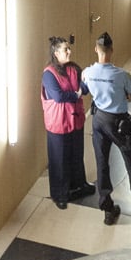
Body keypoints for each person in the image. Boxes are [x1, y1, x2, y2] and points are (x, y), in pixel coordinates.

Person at [80, 32, 131, 225]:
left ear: (96, 49)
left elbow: (85, 85)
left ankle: (107, 209)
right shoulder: (121, 75)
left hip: (99, 120)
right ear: (112, 50)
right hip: (119, 123)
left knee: (102, 164)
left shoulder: (88, 73)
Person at [40, 37, 94, 208]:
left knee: (77, 154)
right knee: (59, 159)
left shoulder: (73, 69)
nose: (69, 52)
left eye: (69, 48)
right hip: (58, 124)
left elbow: (84, 87)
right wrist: (76, 94)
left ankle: (79, 185)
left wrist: (82, 88)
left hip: (75, 120)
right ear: (56, 53)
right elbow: (58, 96)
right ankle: (60, 194)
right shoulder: (49, 74)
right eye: (65, 49)